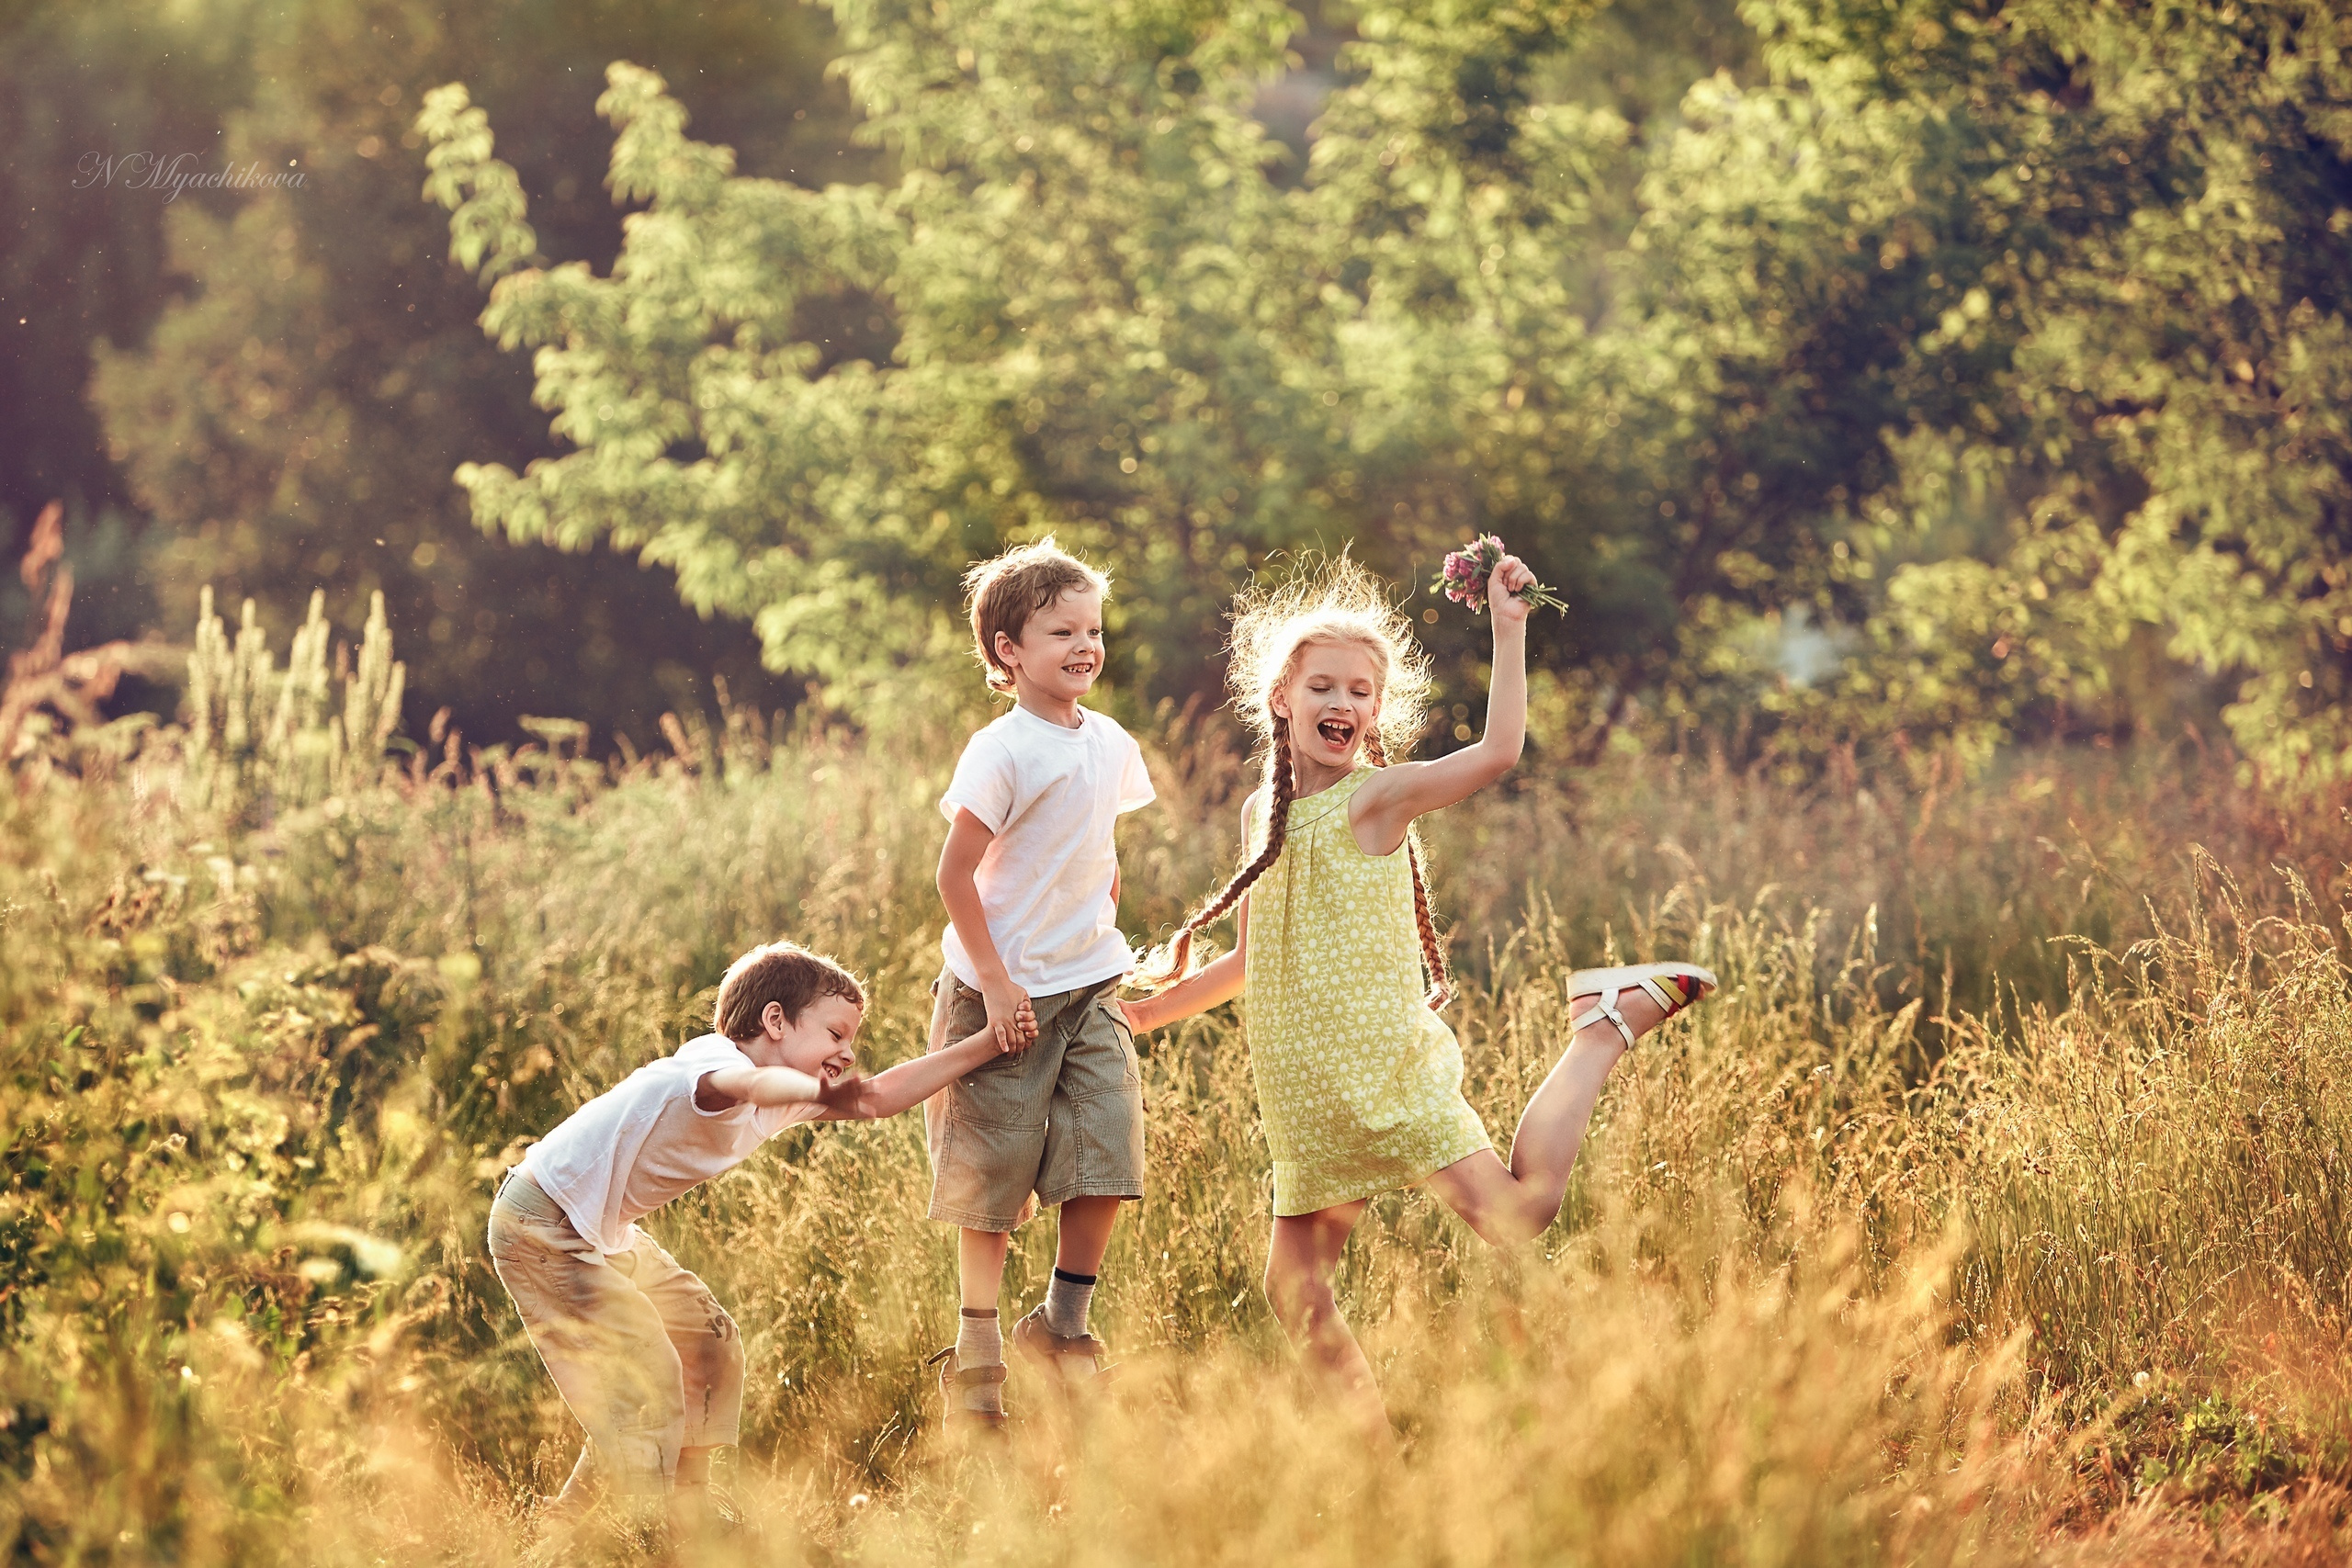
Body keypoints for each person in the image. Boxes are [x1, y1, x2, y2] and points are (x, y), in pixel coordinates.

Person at [1118, 550, 1715, 1427]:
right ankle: (1376, 1460)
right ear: (1280, 697)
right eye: (1323, 685)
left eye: (1362, 691)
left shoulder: (1379, 800)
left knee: (1515, 1217)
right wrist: (1144, 1012)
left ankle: (1600, 1028)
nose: (1344, 704)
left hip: (1386, 1078)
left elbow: (1498, 751)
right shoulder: (1264, 815)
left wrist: (1508, 628)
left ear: (1377, 710)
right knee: (1295, 1290)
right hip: (1313, 1103)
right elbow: (1255, 958)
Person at [486, 940, 1033, 1524]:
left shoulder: (787, 1090)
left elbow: (877, 1097)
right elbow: (748, 1088)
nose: (847, 1054)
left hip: (596, 1229)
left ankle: (676, 1505)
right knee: (644, 1378)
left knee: (707, 1340)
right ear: (775, 1020)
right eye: (835, 1034)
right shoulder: (714, 1063)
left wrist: (988, 1042)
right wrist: (820, 1091)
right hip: (543, 1222)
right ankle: (643, 1531)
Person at [924, 537, 1158, 1427]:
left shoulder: (1110, 744)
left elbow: (1098, 855)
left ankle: (1061, 1323)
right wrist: (996, 981)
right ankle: (977, 1344)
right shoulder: (1002, 750)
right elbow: (954, 876)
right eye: (1061, 630)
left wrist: (1104, 932)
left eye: (1092, 629)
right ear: (1007, 651)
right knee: (991, 1169)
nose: (1085, 646)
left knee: (1108, 1148)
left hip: (1090, 983)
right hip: (1002, 990)